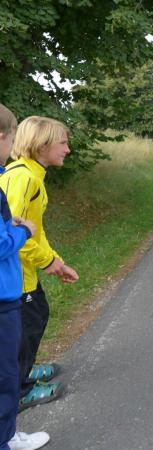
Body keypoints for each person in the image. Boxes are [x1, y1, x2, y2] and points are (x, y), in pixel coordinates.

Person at [1, 116, 79, 414]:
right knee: (26, 328)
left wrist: (55, 261)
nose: (67, 149)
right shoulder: (23, 177)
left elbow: (37, 230)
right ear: (41, 145)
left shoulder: (33, 175)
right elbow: (14, 231)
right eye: (63, 143)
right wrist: (47, 261)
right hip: (15, 277)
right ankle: (20, 390)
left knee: (36, 317)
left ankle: (26, 368)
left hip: (26, 272)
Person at [0, 104, 50, 450]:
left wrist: (11, 226)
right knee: (6, 376)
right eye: (10, 139)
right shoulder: (23, 177)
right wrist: (23, 231)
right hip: (5, 294)